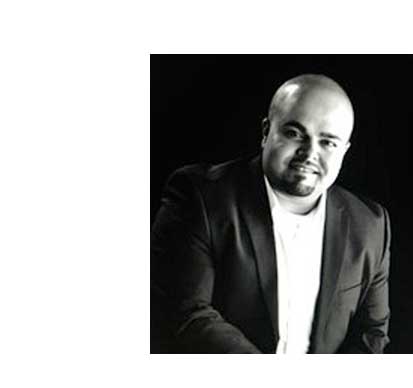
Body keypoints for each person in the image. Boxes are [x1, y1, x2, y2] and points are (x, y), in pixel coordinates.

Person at [151, 74, 391, 353]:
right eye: (294, 133)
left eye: (327, 142)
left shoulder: (370, 224)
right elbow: (185, 313)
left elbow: (371, 333)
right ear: (266, 131)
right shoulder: (199, 197)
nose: (309, 154)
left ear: (344, 150)